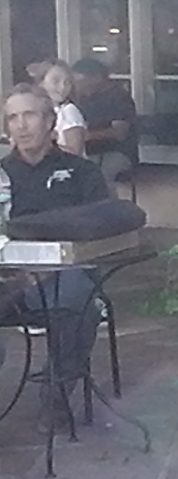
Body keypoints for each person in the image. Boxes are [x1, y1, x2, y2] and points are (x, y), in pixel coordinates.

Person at [0, 85, 112, 404]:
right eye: (13, 118)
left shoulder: (82, 172)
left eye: (29, 115)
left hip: (63, 274)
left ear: (50, 121)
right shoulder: (2, 174)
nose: (21, 125)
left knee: (80, 300)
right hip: (8, 278)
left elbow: (101, 230)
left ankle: (56, 397)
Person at [70, 58, 137, 183]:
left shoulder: (119, 97)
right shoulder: (83, 98)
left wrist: (86, 135)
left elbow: (119, 132)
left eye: (80, 81)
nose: (77, 86)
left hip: (117, 153)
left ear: (97, 78)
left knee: (97, 175)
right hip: (85, 152)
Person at [37, 61, 88, 158]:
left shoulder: (69, 111)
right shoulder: (40, 112)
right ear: (42, 83)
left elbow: (75, 153)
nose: (63, 87)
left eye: (67, 82)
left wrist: (43, 145)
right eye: (55, 81)